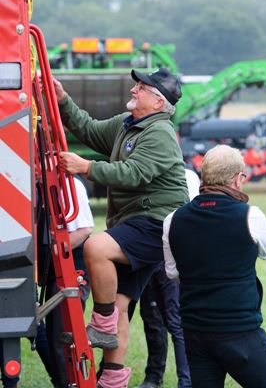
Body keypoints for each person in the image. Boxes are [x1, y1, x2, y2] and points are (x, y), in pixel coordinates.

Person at [54, 67, 189, 388]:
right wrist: (62, 100)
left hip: (157, 225)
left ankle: (101, 323)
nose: (133, 90)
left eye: (141, 88)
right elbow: (88, 128)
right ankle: (113, 377)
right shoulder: (127, 125)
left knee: (95, 247)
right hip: (136, 223)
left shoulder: (159, 133)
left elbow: (134, 172)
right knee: (121, 304)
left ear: (158, 103)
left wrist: (86, 167)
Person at [162, 144, 266, 388]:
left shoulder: (172, 220)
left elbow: (173, 273)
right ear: (238, 179)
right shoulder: (250, 215)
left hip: (196, 331)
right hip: (240, 330)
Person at [134, 169, 199, 388]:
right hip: (147, 251)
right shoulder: (144, 170)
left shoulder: (187, 176)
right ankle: (154, 376)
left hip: (171, 254)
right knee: (151, 316)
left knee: (175, 319)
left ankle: (186, 381)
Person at [45, 175, 94, 387]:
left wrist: (52, 253)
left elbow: (84, 230)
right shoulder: (46, 185)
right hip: (55, 266)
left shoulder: (70, 185)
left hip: (72, 265)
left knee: (63, 334)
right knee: (52, 333)